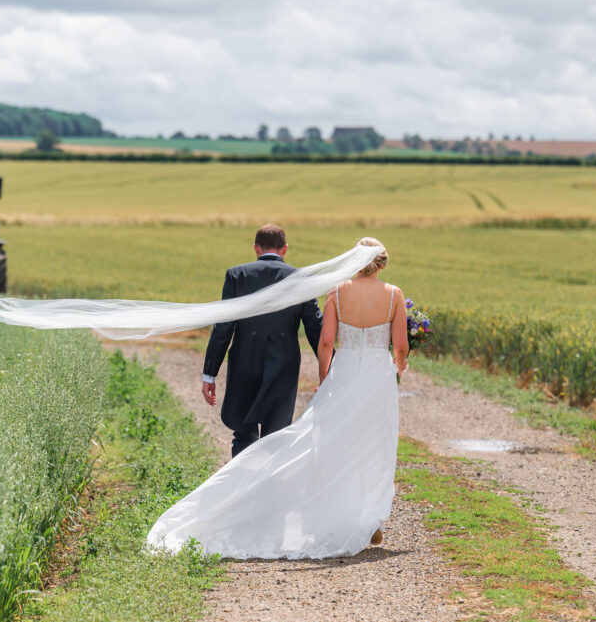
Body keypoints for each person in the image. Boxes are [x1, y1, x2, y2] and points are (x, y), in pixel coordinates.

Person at [147, 237, 407, 559]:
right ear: (382, 263)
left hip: (311, 371)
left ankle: (255, 508)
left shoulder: (334, 291)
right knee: (368, 445)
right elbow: (396, 346)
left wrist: (327, 378)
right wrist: (396, 366)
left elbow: (323, 341)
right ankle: (361, 518)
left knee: (313, 444)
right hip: (363, 377)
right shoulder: (391, 295)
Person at [201, 224, 324, 457]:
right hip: (284, 364)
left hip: (244, 363)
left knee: (243, 433)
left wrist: (210, 373)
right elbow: (315, 327)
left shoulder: (237, 275)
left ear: (256, 248)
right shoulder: (301, 278)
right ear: (285, 249)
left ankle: (241, 487)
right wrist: (329, 369)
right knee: (276, 435)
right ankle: (269, 489)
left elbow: (223, 327)